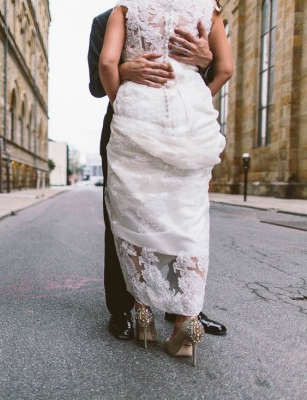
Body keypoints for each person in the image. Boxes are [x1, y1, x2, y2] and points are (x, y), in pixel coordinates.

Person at [97, 0, 233, 366]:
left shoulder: (124, 10)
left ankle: (144, 315)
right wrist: (198, 92)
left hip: (137, 118)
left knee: (133, 214)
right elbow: (227, 69)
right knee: (188, 216)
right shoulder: (210, 9)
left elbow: (106, 65)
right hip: (190, 122)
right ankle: (185, 318)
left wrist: (123, 101)